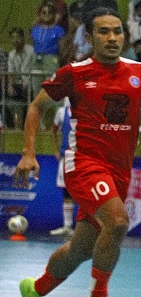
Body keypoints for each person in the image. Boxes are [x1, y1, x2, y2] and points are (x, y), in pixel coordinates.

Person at [15, 8, 141, 297]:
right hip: (84, 163)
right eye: (103, 32)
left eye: (117, 31)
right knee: (118, 221)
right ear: (89, 36)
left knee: (80, 250)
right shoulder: (75, 72)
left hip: (120, 170)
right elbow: (36, 106)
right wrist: (29, 153)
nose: (112, 38)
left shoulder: (140, 71)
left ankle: (35, 290)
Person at [48, 100, 77, 236]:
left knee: (88, 192)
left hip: (84, 157)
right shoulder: (61, 112)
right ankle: (67, 226)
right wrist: (55, 149)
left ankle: (88, 229)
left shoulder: (87, 108)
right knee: (67, 192)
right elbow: (53, 130)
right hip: (66, 157)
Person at [5, 27, 35, 128]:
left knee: (29, 96)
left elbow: (34, 69)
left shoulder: (31, 51)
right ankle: (13, 127)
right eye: (13, 38)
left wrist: (27, 82)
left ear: (23, 38)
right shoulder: (11, 55)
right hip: (18, 84)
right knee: (7, 102)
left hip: (31, 83)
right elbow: (11, 73)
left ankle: (27, 125)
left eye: (18, 37)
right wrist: (10, 85)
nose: (16, 40)